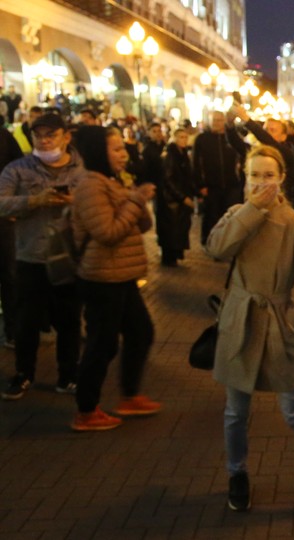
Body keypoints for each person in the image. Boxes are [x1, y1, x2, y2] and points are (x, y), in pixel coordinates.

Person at [206, 145, 294, 525]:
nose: (261, 182)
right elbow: (216, 247)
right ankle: (237, 474)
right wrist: (252, 210)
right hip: (239, 322)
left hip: (277, 325)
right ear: (244, 177)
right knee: (235, 412)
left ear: (282, 177)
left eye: (269, 175)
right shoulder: (237, 214)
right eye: (254, 175)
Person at [67, 126, 160, 430]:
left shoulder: (112, 181)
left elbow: (139, 226)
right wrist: (135, 202)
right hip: (101, 277)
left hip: (121, 274)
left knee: (140, 331)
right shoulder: (91, 186)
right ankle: (86, 410)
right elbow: (107, 233)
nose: (124, 154)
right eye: (117, 149)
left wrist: (137, 200)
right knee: (102, 344)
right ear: (98, 152)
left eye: (123, 148)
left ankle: (129, 395)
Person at [0, 113, 86, 400]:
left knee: (69, 320)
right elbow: (1, 203)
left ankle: (68, 375)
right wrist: (33, 201)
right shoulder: (18, 169)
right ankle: (24, 373)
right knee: (27, 321)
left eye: (51, 134)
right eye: (39, 134)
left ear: (66, 136)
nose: (45, 139)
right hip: (31, 257)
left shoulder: (80, 172)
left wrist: (77, 202)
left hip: (68, 259)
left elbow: (95, 207)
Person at [193, 110, 246, 244]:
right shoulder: (202, 139)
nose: (217, 123)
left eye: (220, 120)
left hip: (231, 184)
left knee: (229, 215)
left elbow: (243, 151)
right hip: (211, 185)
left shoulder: (231, 138)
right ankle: (209, 241)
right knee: (211, 215)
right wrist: (200, 185)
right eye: (214, 120)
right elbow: (196, 163)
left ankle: (226, 242)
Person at [156, 128, 195, 266]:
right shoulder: (171, 155)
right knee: (171, 231)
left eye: (185, 137)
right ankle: (169, 258)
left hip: (178, 199)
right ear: (175, 138)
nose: (183, 140)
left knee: (178, 230)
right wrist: (182, 197)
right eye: (180, 137)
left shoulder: (183, 154)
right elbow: (168, 179)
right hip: (171, 201)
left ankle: (174, 256)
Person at [0, 125, 23, 348]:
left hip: (3, 214)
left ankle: (13, 330)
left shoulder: (3, 135)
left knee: (9, 273)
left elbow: (19, 167)